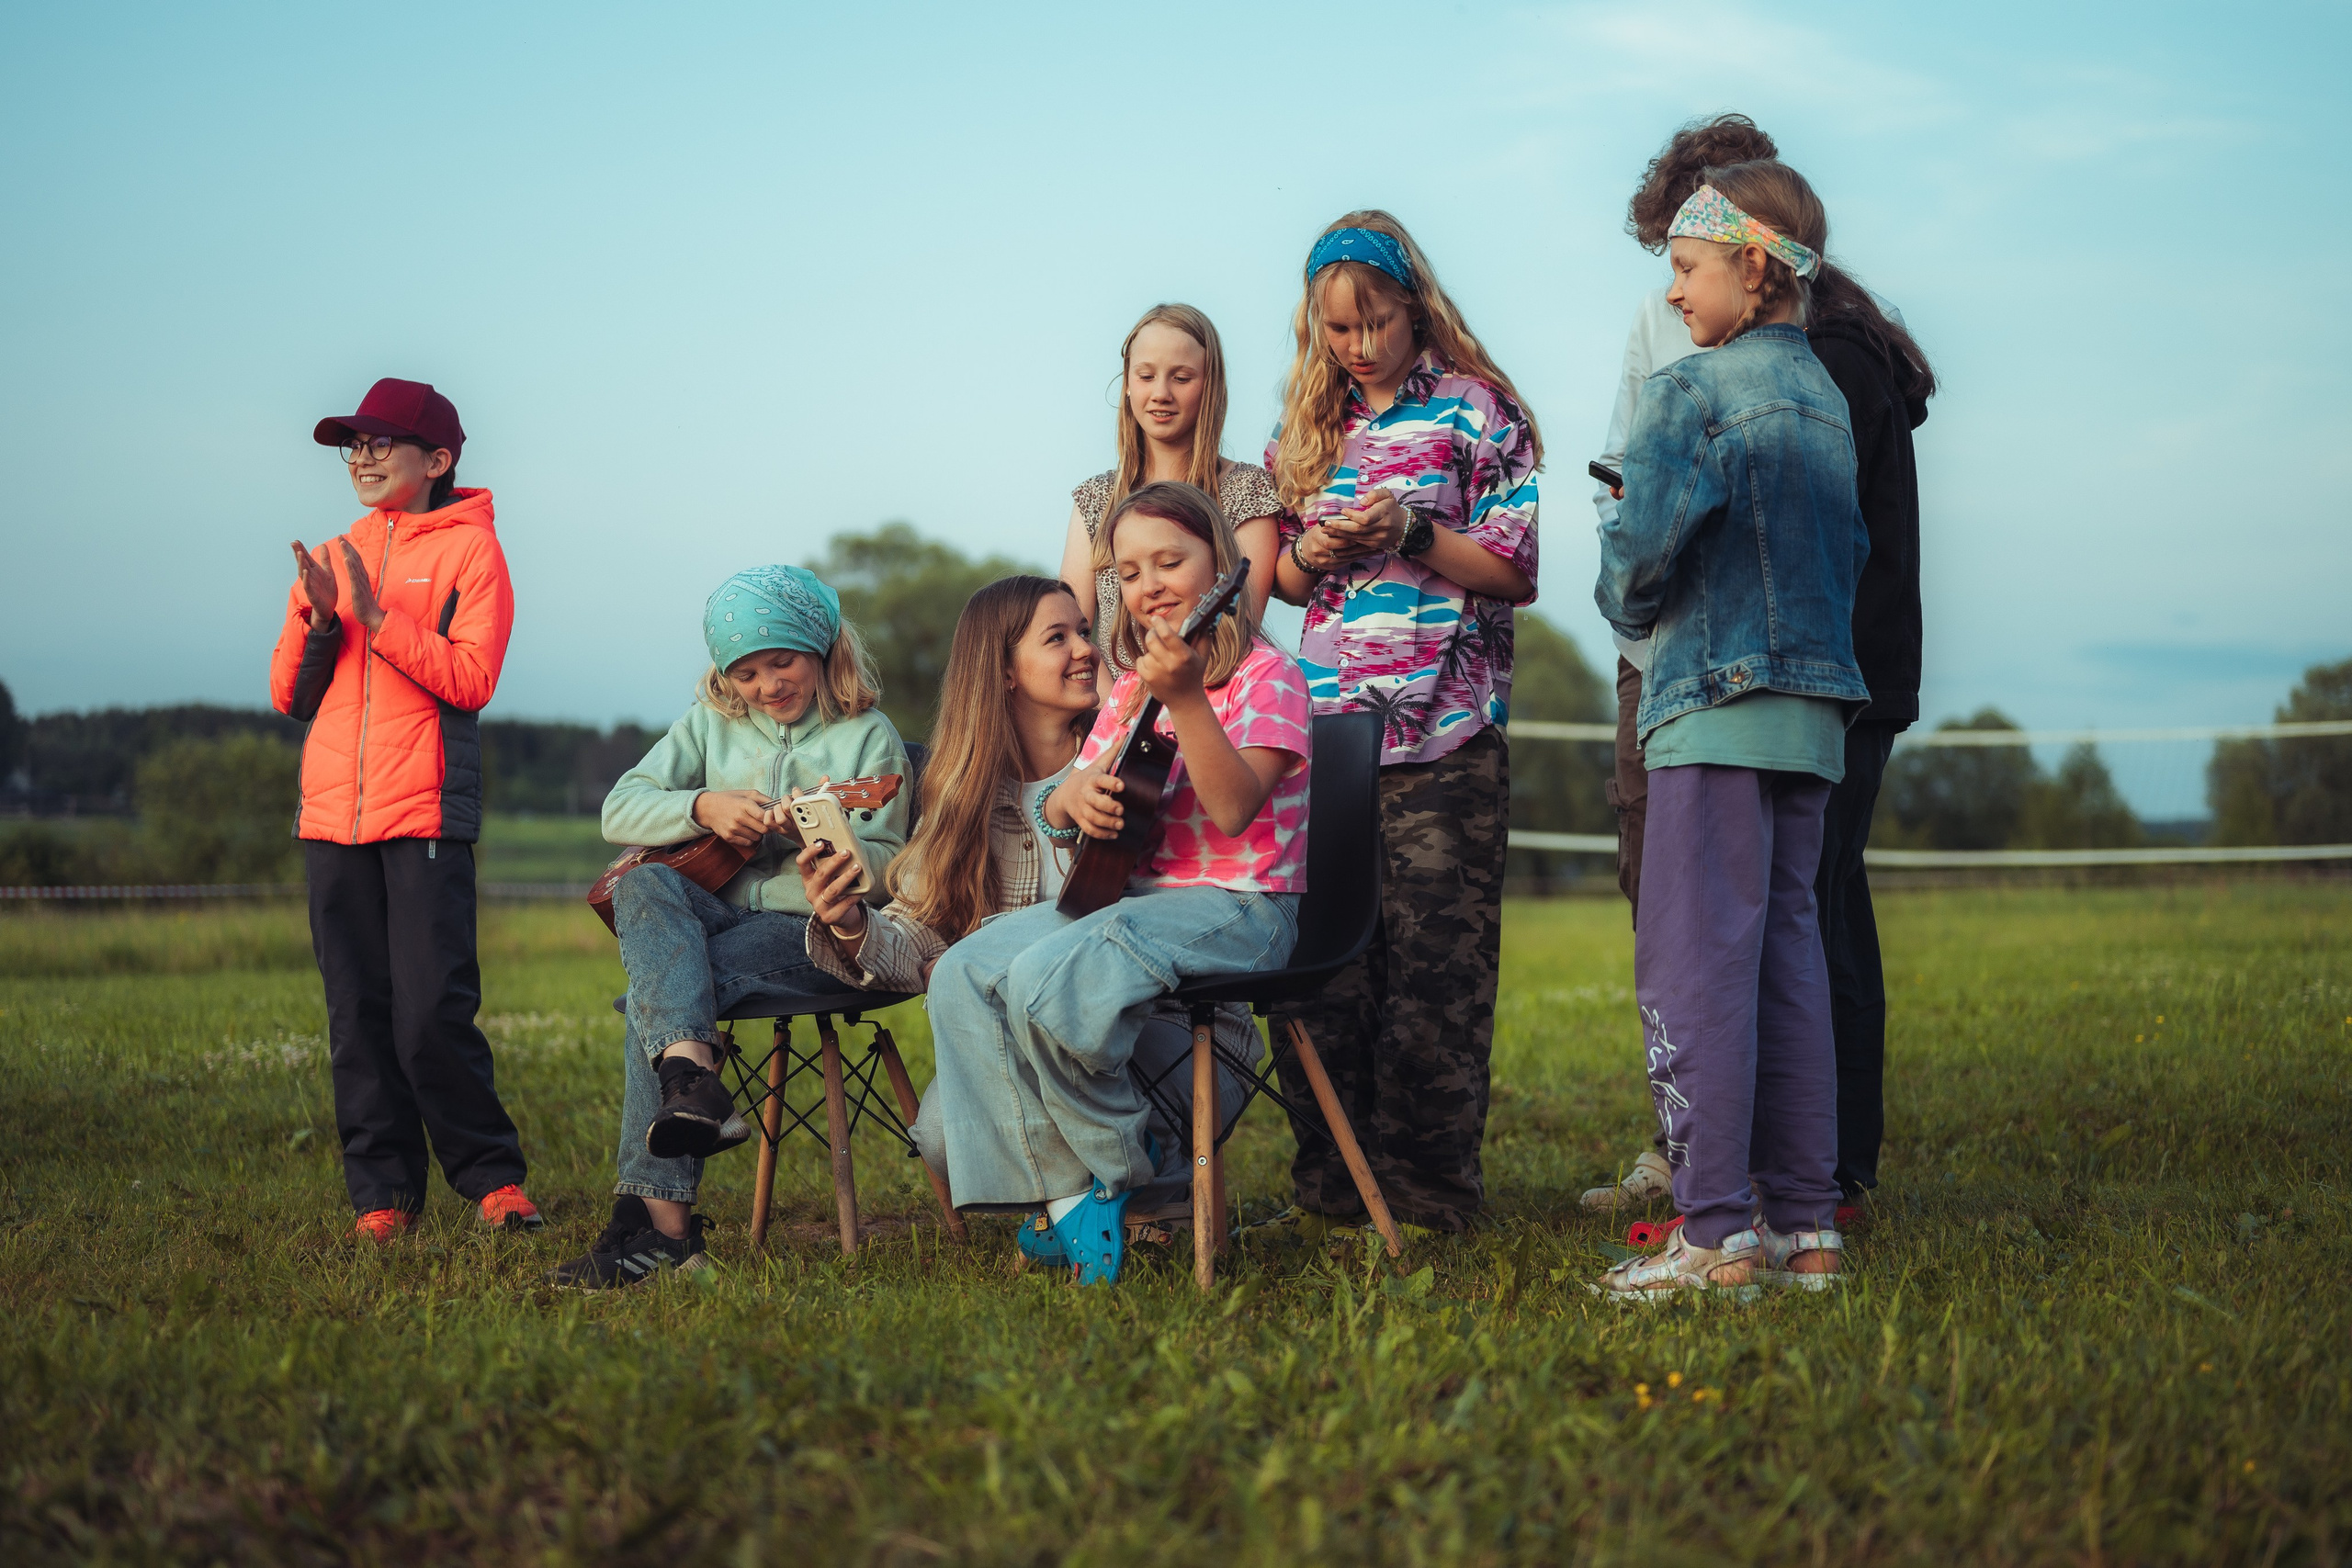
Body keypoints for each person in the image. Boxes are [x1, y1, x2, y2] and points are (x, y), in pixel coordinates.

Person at [1581, 118, 1934, 1217]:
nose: (1674, 296)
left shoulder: (1693, 390)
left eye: (1685, 268)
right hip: (1816, 722)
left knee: (1695, 967)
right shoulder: (1833, 389)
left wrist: (1627, 591)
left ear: (1752, 264)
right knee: (1793, 961)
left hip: (1712, 708)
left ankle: (1714, 1227)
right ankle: (1806, 1219)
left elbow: (1636, 559)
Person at [926, 481, 1312, 1284]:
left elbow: (1236, 807)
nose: (1149, 585)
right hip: (1136, 901)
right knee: (964, 971)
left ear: (1225, 568)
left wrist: (1188, 701)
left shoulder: (1268, 678)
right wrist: (1069, 797)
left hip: (1246, 904)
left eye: (1169, 561)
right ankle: (1066, 1191)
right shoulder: (1131, 685)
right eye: (1130, 573)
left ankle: (1116, 1163)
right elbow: (1081, 787)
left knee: (1043, 975)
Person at [796, 574, 1264, 1228]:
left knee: (1029, 1057)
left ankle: (1096, 1195)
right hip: (1028, 1045)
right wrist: (849, 922)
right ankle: (1103, 1203)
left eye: (1083, 630)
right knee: (941, 1133)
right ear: (1005, 672)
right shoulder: (964, 798)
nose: (1087, 649)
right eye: (1058, 637)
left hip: (1163, 1032)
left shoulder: (1134, 759)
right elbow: (916, 935)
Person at [1254, 210, 1541, 1243]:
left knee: (1434, 979)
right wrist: (1322, 548)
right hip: (1326, 732)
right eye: (1336, 329)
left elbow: (1514, 573)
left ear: (1413, 305)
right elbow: (1281, 581)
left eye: (1374, 320)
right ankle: (1330, 1192)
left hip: (1444, 736)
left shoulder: (1477, 411)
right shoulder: (1304, 429)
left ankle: (1428, 1199)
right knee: (1321, 976)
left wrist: (1413, 530)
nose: (1358, 344)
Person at [545, 565, 908, 1289]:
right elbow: (620, 808)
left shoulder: (868, 738)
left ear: (822, 648)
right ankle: (690, 1085)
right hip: (715, 911)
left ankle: (656, 1229)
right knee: (647, 881)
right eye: (746, 672)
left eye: (783, 661)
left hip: (811, 927)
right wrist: (704, 806)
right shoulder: (711, 723)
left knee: (662, 995)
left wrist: (829, 840)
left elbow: (889, 869)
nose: (768, 684)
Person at [270, 377, 540, 1242]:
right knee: (357, 1013)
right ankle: (383, 1194)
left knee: (430, 1011)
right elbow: (291, 697)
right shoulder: (335, 550)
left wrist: (379, 617)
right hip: (332, 820)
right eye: (355, 444)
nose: (363, 456)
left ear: (438, 460)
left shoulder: (472, 552)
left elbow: (471, 679)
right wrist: (319, 617)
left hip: (423, 810)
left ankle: (492, 1180)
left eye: (382, 442)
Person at [1580, 113, 1779, 1213]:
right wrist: (1632, 602)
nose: (1674, 279)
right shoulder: (1651, 324)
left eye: (1693, 254)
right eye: (1668, 252)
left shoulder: (1805, 339)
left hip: (1754, 662)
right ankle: (1680, 1141)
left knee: (1772, 906)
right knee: (1654, 889)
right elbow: (1622, 473)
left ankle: (1786, 1155)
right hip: (1655, 657)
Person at [1057, 303, 1283, 689]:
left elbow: (1236, 628)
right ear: (1127, 382)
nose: (1161, 393)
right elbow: (1071, 634)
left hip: (1209, 703)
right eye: (1146, 376)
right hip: (1108, 715)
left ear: (1210, 384)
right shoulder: (1096, 499)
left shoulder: (1248, 490)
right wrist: (1114, 720)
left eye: (1181, 378)